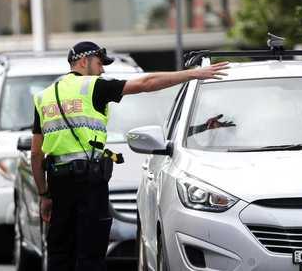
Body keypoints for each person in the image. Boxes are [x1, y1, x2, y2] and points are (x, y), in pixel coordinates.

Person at [30, 41, 228, 271]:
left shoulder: (44, 97)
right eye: (99, 63)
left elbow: (36, 154)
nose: (102, 69)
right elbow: (146, 83)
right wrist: (193, 74)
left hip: (58, 182)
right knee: (90, 255)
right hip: (89, 184)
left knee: (60, 254)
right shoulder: (92, 86)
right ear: (84, 61)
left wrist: (44, 194)